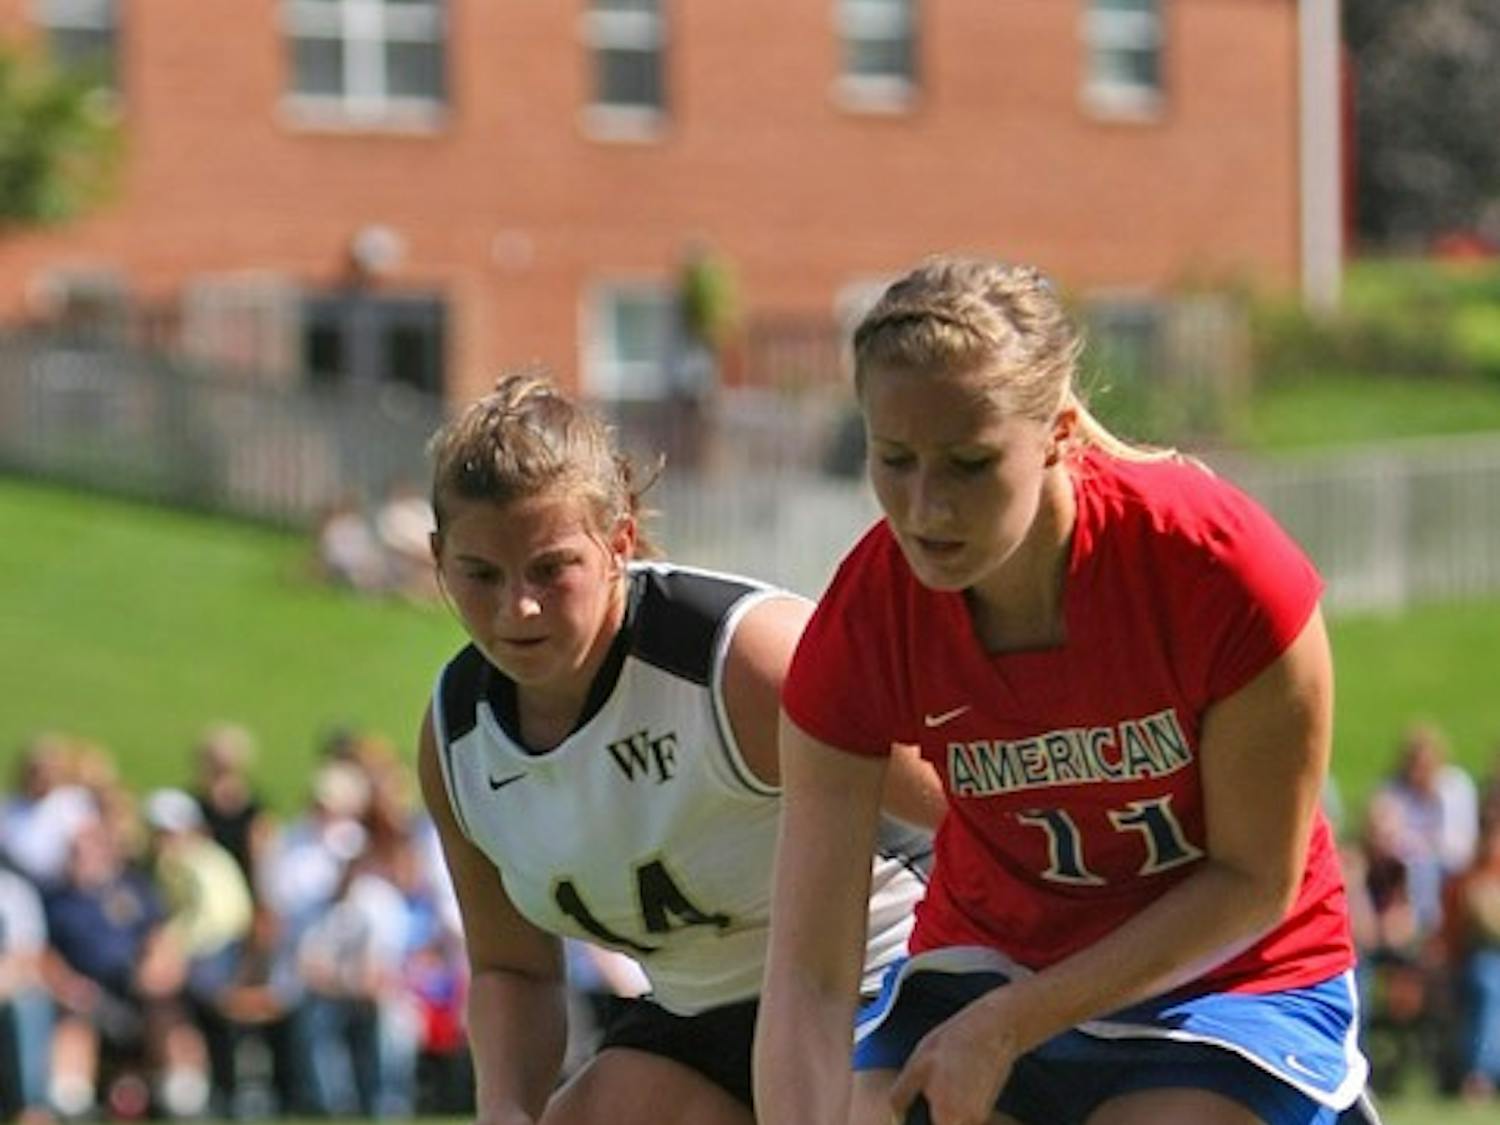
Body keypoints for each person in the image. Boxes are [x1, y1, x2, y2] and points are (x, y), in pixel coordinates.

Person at [754, 256, 1381, 1125]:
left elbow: (1251, 879)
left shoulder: (1218, 569)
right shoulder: (862, 624)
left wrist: (1012, 1025)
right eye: (894, 459)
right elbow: (811, 975)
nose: (925, 508)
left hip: (1229, 975)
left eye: (969, 463)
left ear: (1059, 431)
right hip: (987, 967)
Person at [417, 371, 942, 1125]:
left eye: (550, 567)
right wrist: (505, 1107)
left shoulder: (744, 660)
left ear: (618, 541)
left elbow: (972, 808)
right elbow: (511, 968)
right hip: (696, 1018)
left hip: (886, 981)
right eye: (480, 574)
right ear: (439, 558)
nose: (518, 608)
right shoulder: (455, 738)